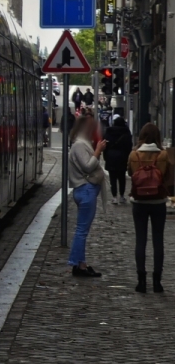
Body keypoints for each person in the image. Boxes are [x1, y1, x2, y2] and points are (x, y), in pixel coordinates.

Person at [127, 123, 171, 293]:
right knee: (158, 241)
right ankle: (157, 282)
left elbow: (131, 174)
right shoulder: (163, 155)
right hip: (158, 202)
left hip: (139, 203)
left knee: (140, 240)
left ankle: (141, 280)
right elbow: (166, 177)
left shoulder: (133, 155)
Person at [68, 114, 107, 278]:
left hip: (85, 190)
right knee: (82, 230)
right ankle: (77, 264)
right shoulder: (79, 145)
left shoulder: (81, 144)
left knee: (82, 230)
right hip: (86, 190)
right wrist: (98, 151)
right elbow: (88, 166)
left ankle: (81, 263)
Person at [103, 114, 133, 204]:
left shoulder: (108, 132)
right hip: (122, 157)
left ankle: (114, 196)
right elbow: (129, 146)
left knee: (112, 178)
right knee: (122, 178)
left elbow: (105, 145)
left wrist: (106, 156)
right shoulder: (126, 132)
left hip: (111, 157)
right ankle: (122, 196)